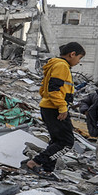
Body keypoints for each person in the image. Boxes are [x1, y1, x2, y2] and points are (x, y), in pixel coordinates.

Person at [26, 42, 85, 174]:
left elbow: (44, 89)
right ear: (72, 54)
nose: (79, 61)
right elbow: (53, 89)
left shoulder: (54, 64)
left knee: (57, 141)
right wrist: (62, 107)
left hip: (49, 107)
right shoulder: (62, 66)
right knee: (67, 143)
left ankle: (47, 170)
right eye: (79, 58)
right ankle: (37, 162)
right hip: (55, 109)